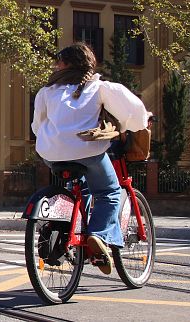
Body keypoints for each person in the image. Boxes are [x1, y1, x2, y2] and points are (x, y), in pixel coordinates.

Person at [31, 43, 149, 275]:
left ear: (65, 65)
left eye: (59, 61)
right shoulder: (100, 88)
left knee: (81, 188)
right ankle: (98, 236)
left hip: (51, 155)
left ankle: (73, 229)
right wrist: (141, 122)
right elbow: (133, 112)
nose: (56, 65)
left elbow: (37, 127)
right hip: (89, 153)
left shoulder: (46, 92)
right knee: (109, 192)